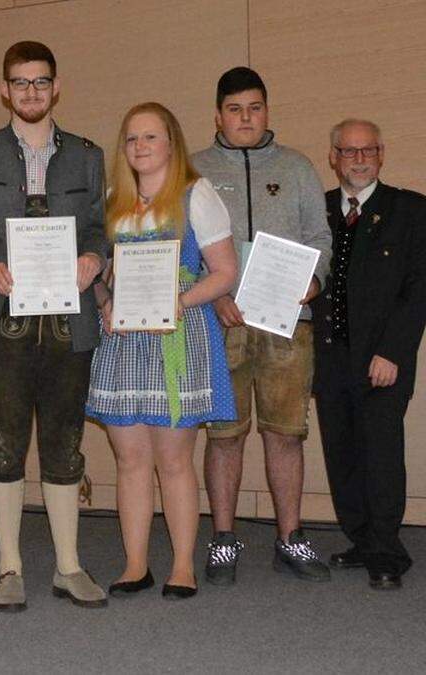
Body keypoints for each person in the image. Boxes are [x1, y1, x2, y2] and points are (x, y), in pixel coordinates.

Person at [0, 40, 109, 611]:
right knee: (3, 441)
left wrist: (95, 260)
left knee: (65, 442)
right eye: (20, 83)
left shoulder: (88, 156)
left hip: (70, 326)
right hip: (1, 324)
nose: (30, 92)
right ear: (4, 89)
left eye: (40, 82)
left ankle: (69, 566)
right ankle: (9, 567)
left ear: (56, 86)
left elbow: (99, 230)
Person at [87, 102, 238, 600]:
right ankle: (134, 564)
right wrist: (106, 303)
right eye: (132, 139)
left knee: (174, 461)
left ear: (172, 142)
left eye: (150, 137)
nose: (140, 147)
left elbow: (224, 273)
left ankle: (181, 566)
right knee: (129, 459)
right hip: (125, 340)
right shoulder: (113, 200)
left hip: (179, 336)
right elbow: (100, 273)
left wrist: (177, 299)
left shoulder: (197, 195)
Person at [192, 67, 333, 586]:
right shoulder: (195, 170)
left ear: (267, 111)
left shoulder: (296, 167)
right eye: (234, 109)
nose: (245, 118)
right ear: (218, 115)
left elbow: (321, 235)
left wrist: (313, 282)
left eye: (254, 108)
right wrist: (217, 292)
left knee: (285, 435)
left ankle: (290, 538)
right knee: (224, 435)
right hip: (218, 320)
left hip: (286, 323)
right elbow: (186, 247)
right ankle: (224, 539)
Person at [311, 119, 426, 590]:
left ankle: (386, 552)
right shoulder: (316, 211)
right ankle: (360, 538)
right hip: (330, 356)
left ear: (381, 154)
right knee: (342, 453)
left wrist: (393, 351)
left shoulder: (410, 210)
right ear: (333, 157)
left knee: (380, 455)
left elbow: (418, 289)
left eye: (368, 151)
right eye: (349, 151)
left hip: (382, 359)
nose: (359, 159)